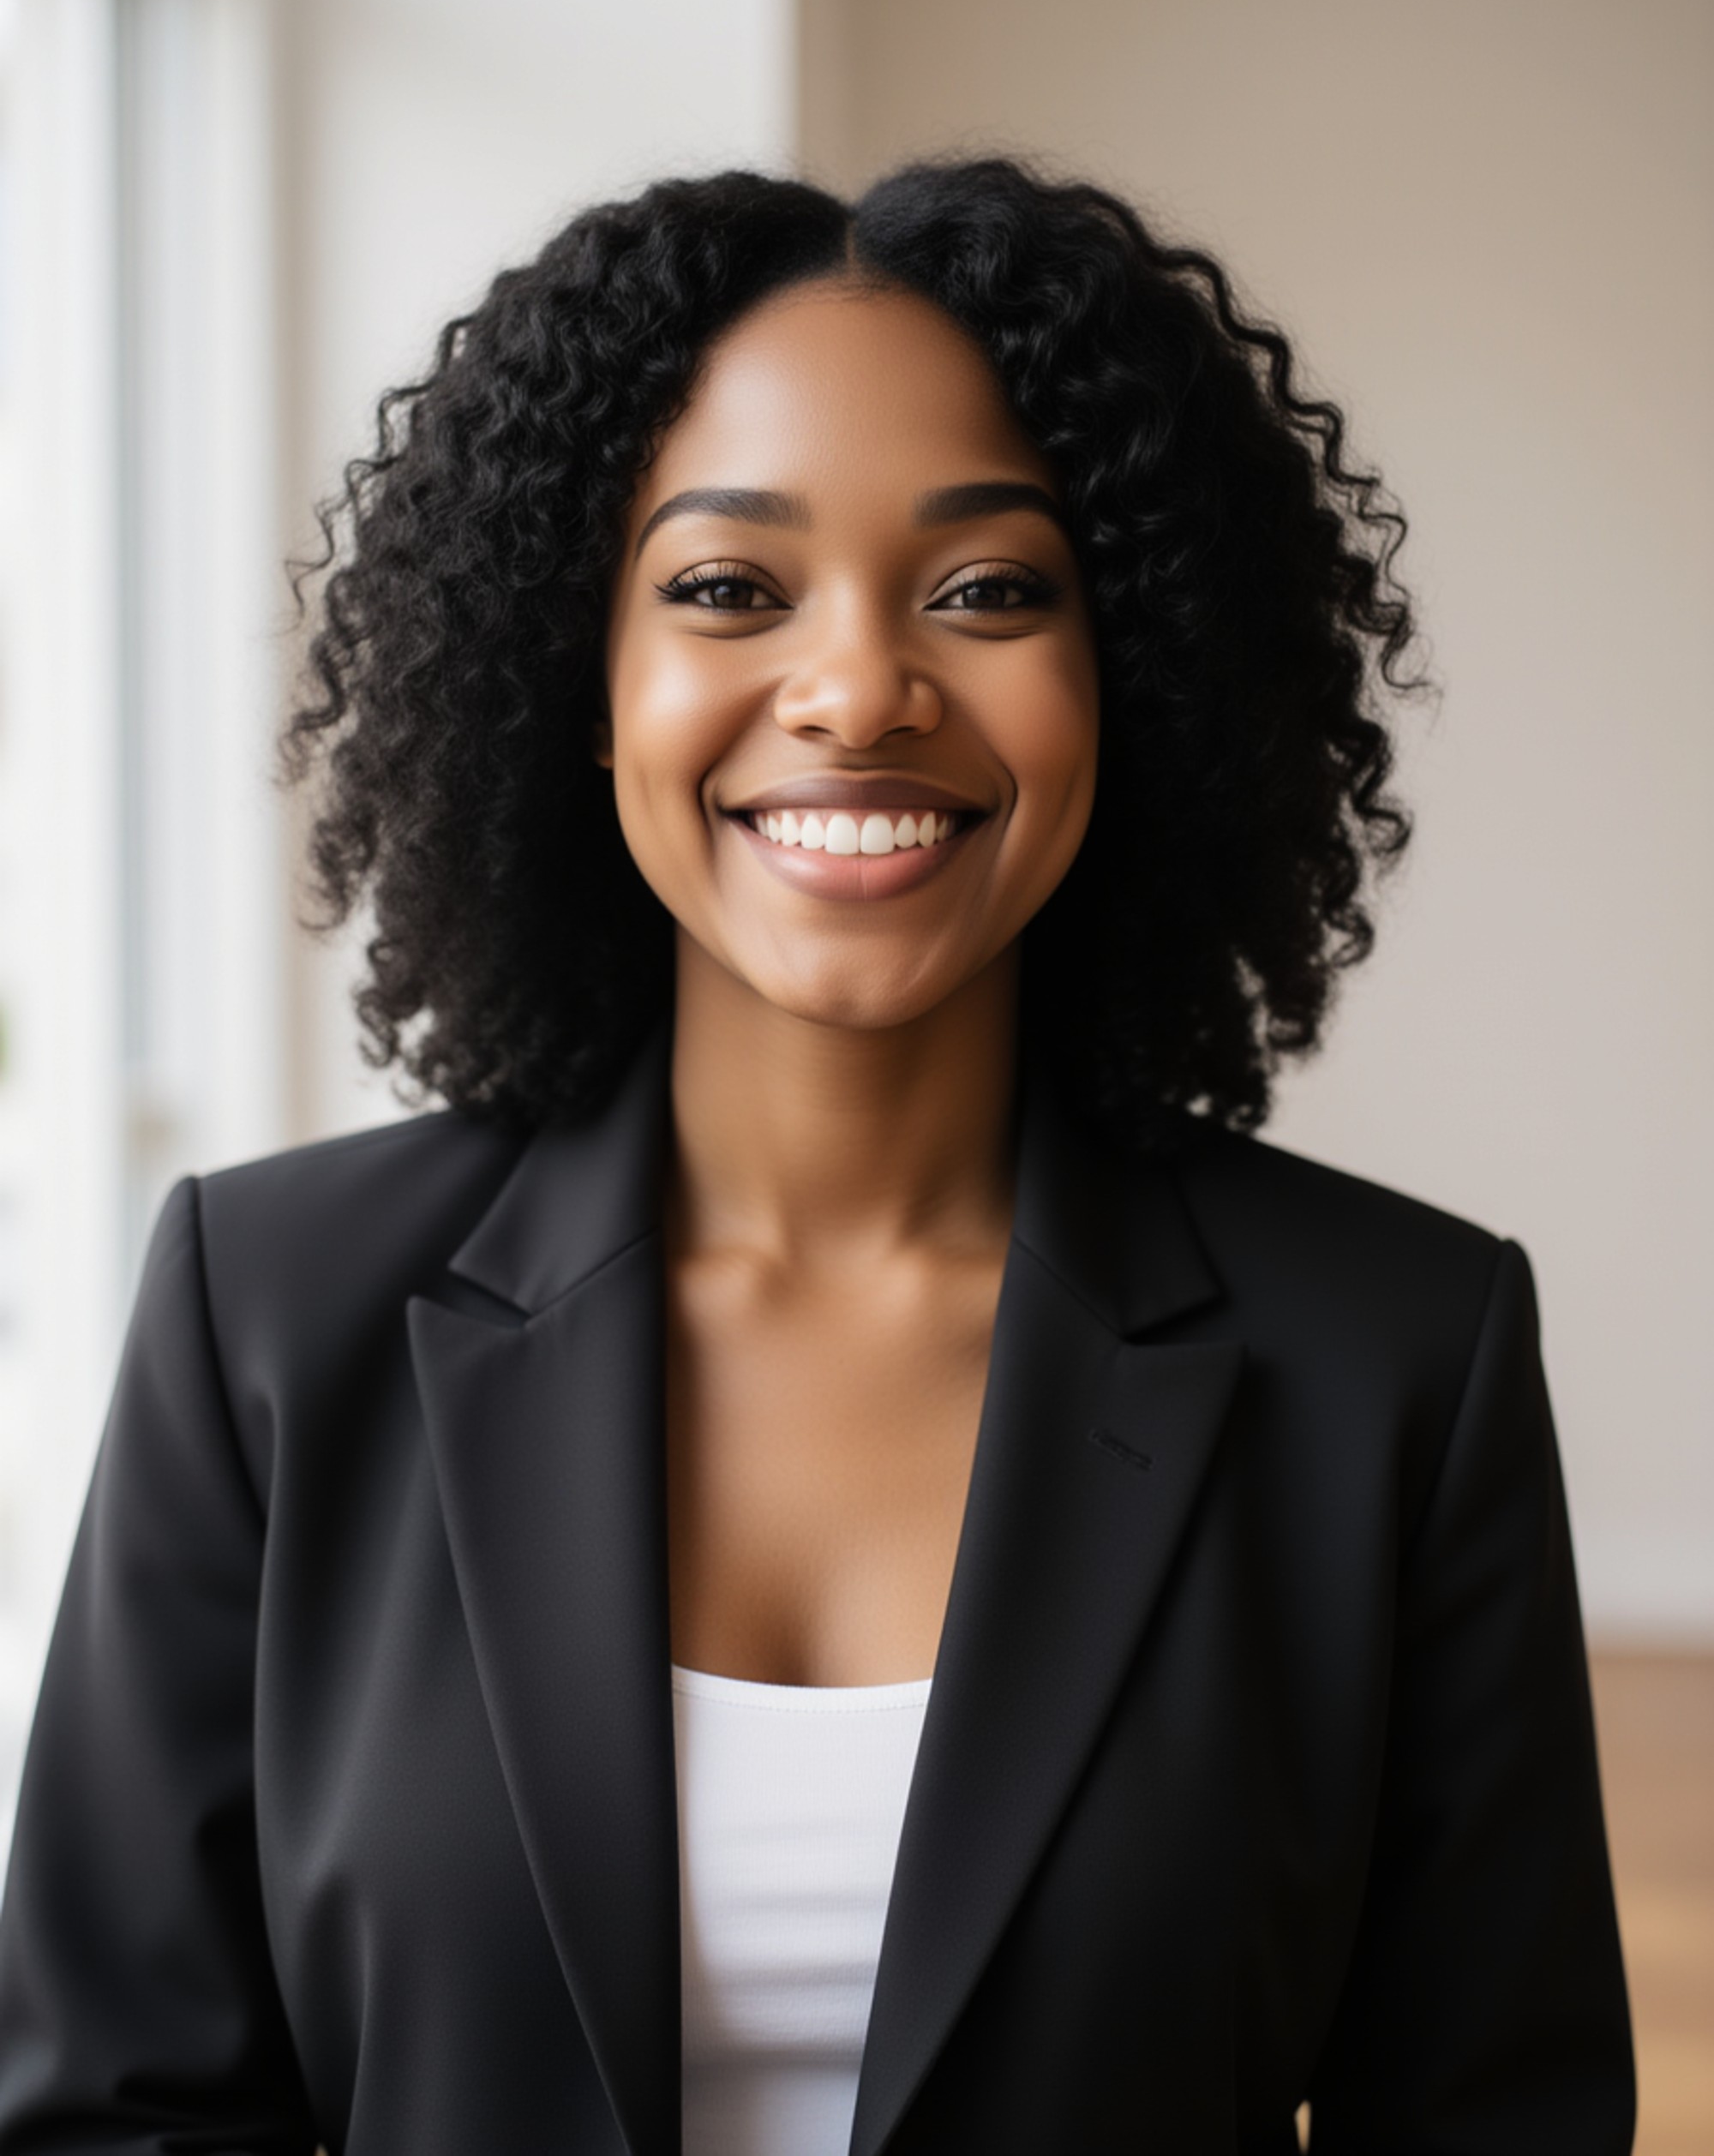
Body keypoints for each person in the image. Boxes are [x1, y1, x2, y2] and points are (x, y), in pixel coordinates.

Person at [0, 158, 1633, 2155]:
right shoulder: (263, 1318)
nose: (859, 685)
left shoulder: (1398, 1354)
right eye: (723, 587)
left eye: (989, 588)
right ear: (579, 684)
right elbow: (111, 2109)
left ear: (1131, 674)